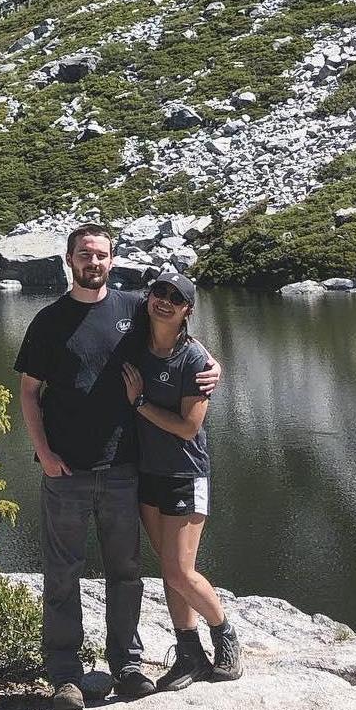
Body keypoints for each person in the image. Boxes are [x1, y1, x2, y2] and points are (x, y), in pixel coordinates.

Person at [16, 225, 221, 710]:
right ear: (69, 260)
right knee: (62, 573)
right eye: (85, 253)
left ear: (113, 260)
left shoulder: (133, 309)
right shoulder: (48, 321)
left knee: (125, 573)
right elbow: (28, 392)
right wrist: (42, 451)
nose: (94, 261)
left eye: (102, 254)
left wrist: (213, 364)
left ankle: (127, 665)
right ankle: (65, 674)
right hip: (65, 470)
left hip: (124, 468)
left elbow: (179, 340)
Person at [122, 270, 243, 688]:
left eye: (177, 298)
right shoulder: (136, 343)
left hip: (183, 473)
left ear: (187, 310)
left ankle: (225, 634)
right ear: (148, 297)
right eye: (160, 292)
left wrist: (138, 403)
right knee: (169, 569)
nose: (165, 301)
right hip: (147, 473)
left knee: (179, 571)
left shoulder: (191, 359)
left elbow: (188, 427)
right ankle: (189, 654)